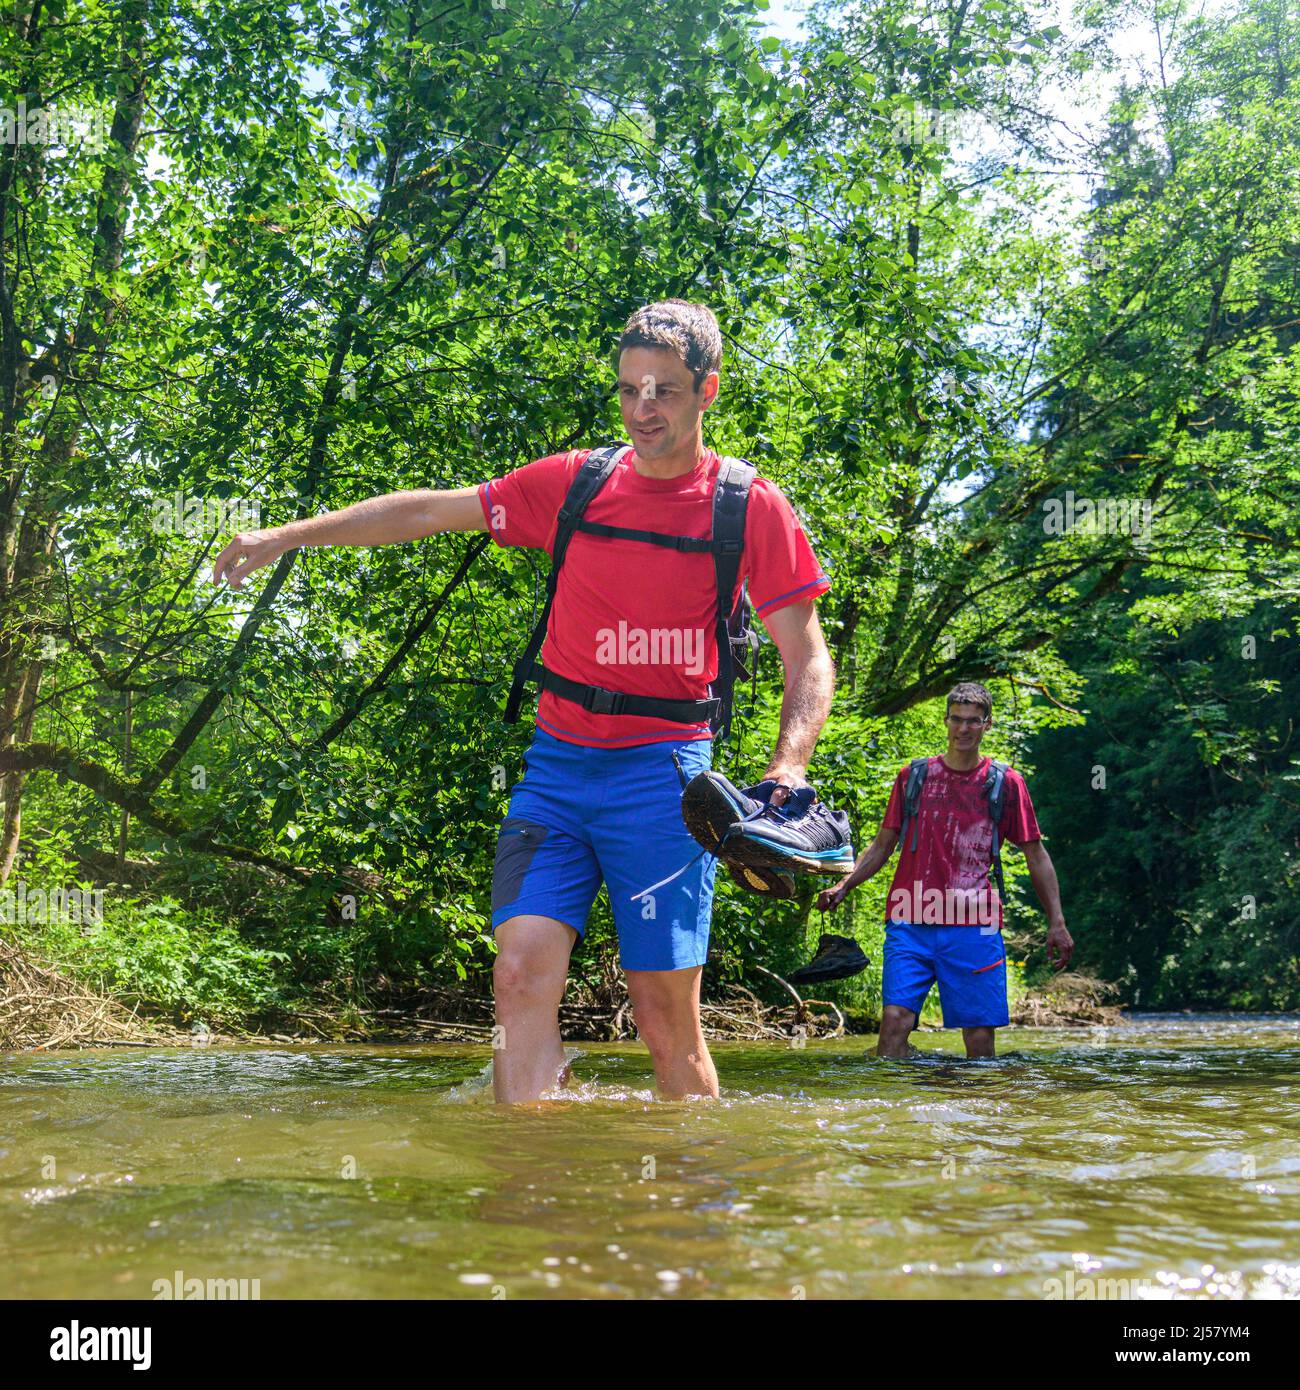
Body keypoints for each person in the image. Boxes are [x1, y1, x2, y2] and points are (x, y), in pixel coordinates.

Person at [213, 299, 836, 1102]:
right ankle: (531, 1186)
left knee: (661, 1016)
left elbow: (807, 654)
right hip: (557, 773)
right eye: (629, 389)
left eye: (666, 392)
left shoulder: (748, 507)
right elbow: (432, 510)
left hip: (666, 779)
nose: (643, 409)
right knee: (517, 976)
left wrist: (788, 767)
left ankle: (691, 1215)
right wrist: (288, 534)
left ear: (707, 392)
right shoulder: (575, 483)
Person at [817, 681, 1073, 1058]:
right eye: (957, 719)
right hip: (910, 918)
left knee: (980, 1042)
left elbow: (1036, 855)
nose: (964, 728)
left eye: (973, 721)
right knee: (893, 1029)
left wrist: (1057, 922)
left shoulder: (1005, 783)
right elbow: (883, 845)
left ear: (987, 725)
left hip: (975, 925)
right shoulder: (914, 778)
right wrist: (844, 885)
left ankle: (965, 1105)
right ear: (946, 721)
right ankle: (904, 1106)